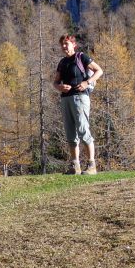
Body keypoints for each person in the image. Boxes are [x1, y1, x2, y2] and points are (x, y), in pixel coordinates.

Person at [53, 35, 103, 175]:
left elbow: (99, 70)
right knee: (70, 133)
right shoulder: (62, 62)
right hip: (66, 99)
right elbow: (55, 82)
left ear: (73, 44)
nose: (64, 46)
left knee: (83, 130)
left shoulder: (81, 57)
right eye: (62, 44)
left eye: (66, 43)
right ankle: (75, 166)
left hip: (80, 98)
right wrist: (59, 87)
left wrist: (87, 82)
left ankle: (91, 165)